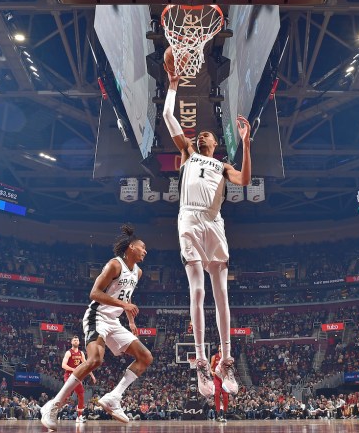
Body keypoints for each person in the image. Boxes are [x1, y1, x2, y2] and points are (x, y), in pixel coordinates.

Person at [162, 62, 252, 397]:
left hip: (214, 222)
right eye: (199, 133)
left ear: (214, 143)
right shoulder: (187, 152)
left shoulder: (223, 164)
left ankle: (225, 359)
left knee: (222, 293)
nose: (202, 135)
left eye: (207, 134)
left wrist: (246, 143)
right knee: (197, 291)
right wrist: (172, 86)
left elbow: (243, 180)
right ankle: (201, 360)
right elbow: (170, 120)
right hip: (189, 217)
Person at [41, 225, 152, 430]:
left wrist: (131, 321)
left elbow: (126, 297)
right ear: (130, 247)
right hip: (97, 316)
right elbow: (94, 293)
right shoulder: (114, 265)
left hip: (115, 320)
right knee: (95, 360)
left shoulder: (138, 272)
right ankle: (53, 405)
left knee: (145, 357)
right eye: (142, 247)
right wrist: (124, 306)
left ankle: (113, 398)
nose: (145, 251)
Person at [61, 335, 96, 423]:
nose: (76, 341)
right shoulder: (68, 352)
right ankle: (54, 410)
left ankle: (79, 417)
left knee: (81, 394)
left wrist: (92, 376)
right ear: (71, 342)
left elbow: (87, 366)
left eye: (77, 340)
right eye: (74, 340)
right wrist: (74, 369)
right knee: (67, 394)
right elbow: (63, 365)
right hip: (69, 375)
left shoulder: (81, 353)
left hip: (77, 376)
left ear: (79, 342)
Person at [210, 345, 229, 422]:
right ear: (218, 349)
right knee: (217, 394)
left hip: (224, 379)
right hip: (217, 379)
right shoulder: (214, 357)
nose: (221, 348)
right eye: (220, 347)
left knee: (225, 396)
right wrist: (212, 372)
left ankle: (224, 414)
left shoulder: (226, 358)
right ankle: (218, 414)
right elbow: (211, 368)